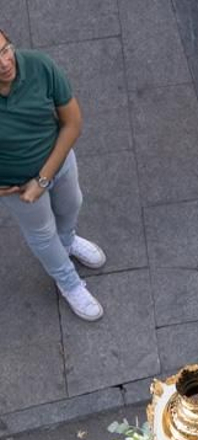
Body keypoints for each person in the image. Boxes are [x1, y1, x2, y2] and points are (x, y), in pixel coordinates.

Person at [0, 28, 105, 322]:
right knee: (42, 234)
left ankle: (68, 240)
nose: (5, 62)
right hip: (17, 186)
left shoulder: (39, 65)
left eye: (5, 49)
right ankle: (69, 282)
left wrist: (43, 179)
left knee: (72, 204)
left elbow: (72, 123)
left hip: (59, 161)